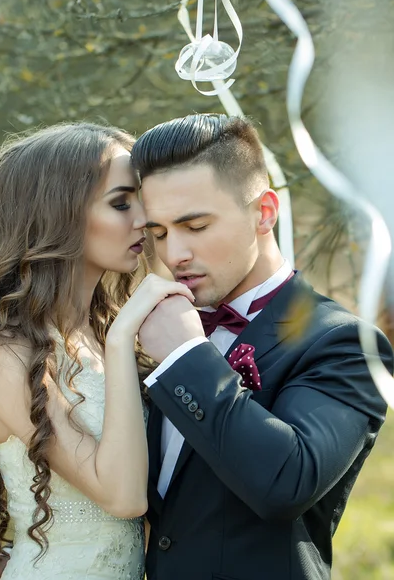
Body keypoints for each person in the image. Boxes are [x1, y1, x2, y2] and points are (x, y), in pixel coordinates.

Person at [0, 122, 195, 579]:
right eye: (121, 202)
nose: (143, 218)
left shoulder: (104, 331)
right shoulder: (0, 351)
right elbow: (124, 497)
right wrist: (123, 337)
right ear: (56, 214)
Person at [130, 114, 393, 580]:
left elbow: (286, 484)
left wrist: (187, 358)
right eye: (160, 233)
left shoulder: (345, 343)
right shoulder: (154, 327)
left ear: (264, 212)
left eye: (196, 225)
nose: (174, 255)